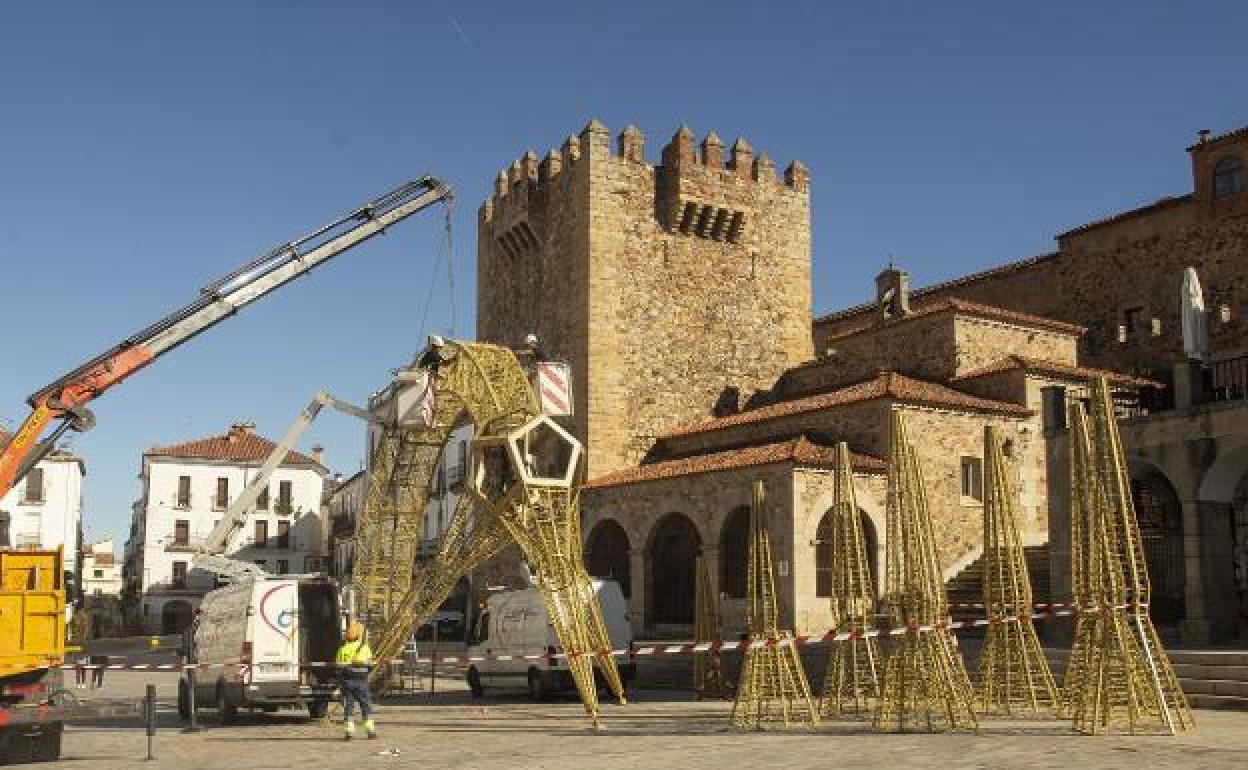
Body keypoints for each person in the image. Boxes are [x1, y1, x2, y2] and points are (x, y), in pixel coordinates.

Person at [335, 621, 376, 740]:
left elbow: (338, 668)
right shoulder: (365, 648)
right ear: (358, 636)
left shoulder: (342, 650)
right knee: (365, 705)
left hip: (347, 681)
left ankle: (349, 731)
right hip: (361, 681)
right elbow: (370, 665)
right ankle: (370, 730)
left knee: (349, 706)